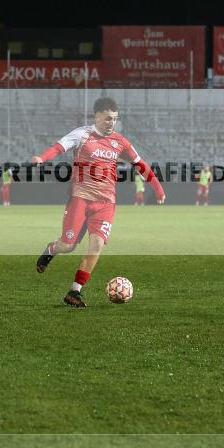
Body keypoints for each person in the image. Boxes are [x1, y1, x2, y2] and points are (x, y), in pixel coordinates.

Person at [32, 97, 165, 308]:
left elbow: (140, 164)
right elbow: (59, 148)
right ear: (97, 116)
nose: (111, 123)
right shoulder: (82, 134)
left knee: (97, 245)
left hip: (105, 203)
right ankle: (51, 250)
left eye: (115, 119)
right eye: (107, 118)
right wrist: (42, 157)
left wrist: (157, 188)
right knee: (67, 246)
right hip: (80, 198)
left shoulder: (120, 142)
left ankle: (75, 292)